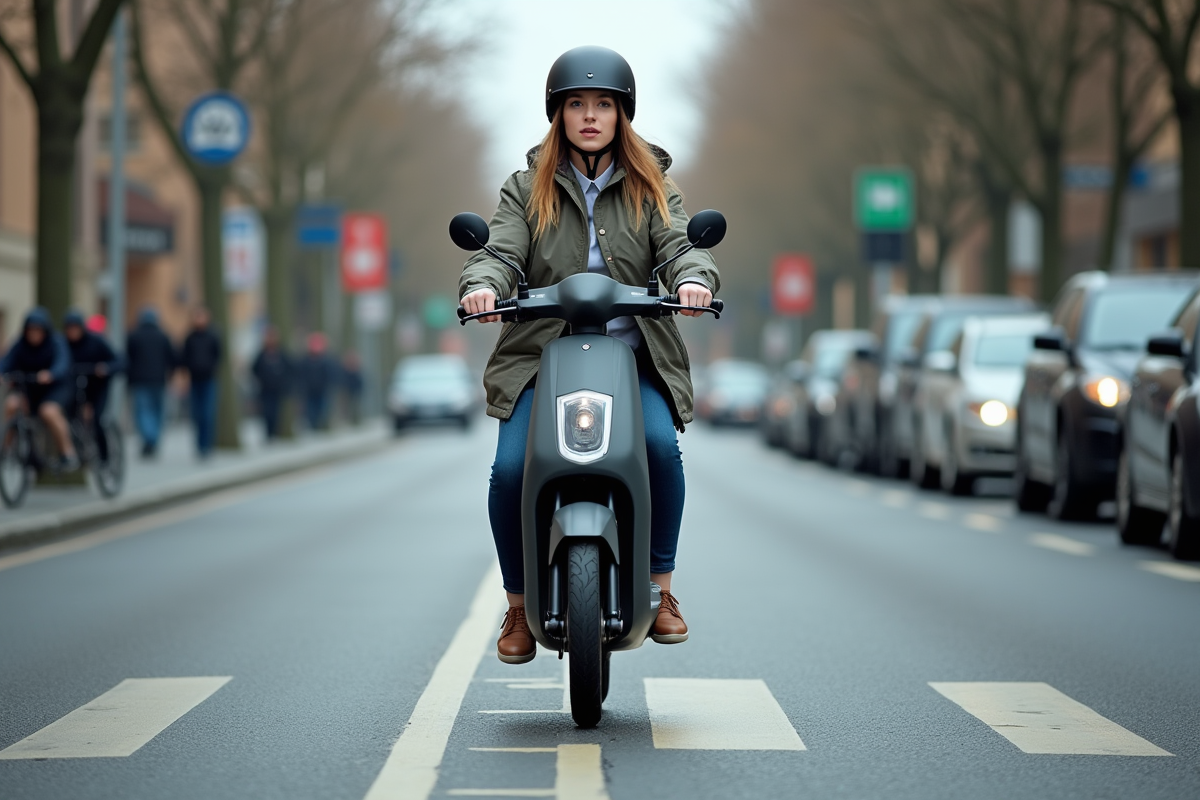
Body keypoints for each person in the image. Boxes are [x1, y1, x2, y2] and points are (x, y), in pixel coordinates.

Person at [459, 47, 720, 664]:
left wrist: (694, 279)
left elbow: (681, 246)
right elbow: (499, 251)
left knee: (659, 448)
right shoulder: (527, 187)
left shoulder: (652, 185)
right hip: (539, 361)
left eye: (603, 104)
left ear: (621, 114)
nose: (590, 115)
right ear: (559, 114)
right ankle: (519, 604)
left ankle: (662, 591)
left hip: (632, 362)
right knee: (508, 472)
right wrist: (483, 286)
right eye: (576, 104)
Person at [0, 307, 79, 470]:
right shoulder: (20, 344)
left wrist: (51, 374)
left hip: (55, 389)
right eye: (31, 330)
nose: (34, 334)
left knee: (48, 411)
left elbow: (63, 362)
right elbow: (7, 362)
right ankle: (5, 450)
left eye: (38, 330)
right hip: (29, 389)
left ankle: (68, 453)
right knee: (12, 404)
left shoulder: (56, 342)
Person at [62, 309, 122, 461]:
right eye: (69, 328)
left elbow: (119, 361)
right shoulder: (63, 345)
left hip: (98, 387)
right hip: (76, 387)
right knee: (69, 416)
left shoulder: (96, 341)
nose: (72, 332)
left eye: (75, 328)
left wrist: (105, 368)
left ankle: (104, 456)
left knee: (97, 420)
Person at [125, 307, 176, 457]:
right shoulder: (163, 336)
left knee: (142, 411)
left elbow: (128, 359)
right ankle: (153, 439)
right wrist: (170, 375)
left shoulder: (133, 336)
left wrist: (129, 379)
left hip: (139, 381)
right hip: (159, 380)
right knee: (158, 411)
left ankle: (148, 438)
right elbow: (172, 358)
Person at [180, 307, 222, 459]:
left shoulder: (213, 336)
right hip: (194, 380)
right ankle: (199, 445)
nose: (200, 320)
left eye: (202, 316)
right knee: (197, 414)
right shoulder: (190, 337)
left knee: (207, 413)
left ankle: (207, 445)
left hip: (209, 379)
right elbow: (184, 357)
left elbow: (219, 356)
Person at [251, 326, 292, 440]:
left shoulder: (281, 353)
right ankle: (268, 433)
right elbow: (254, 368)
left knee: (276, 412)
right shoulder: (262, 354)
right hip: (265, 389)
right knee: (267, 412)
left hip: (278, 389)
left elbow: (290, 368)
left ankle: (274, 433)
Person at [296, 333, 335, 431]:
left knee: (321, 410)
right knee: (311, 411)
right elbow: (301, 376)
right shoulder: (305, 361)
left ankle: (320, 426)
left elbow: (329, 375)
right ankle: (314, 426)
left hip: (321, 390)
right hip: (309, 391)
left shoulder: (326, 361)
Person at [340, 351, 364, 426]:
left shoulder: (357, 371)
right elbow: (344, 381)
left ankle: (356, 418)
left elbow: (360, 381)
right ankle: (350, 418)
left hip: (356, 390)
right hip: (349, 391)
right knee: (349, 405)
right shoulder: (346, 371)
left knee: (355, 405)